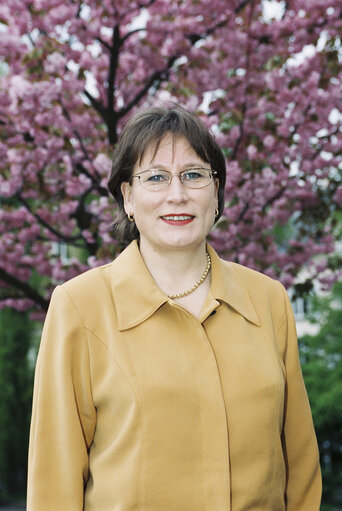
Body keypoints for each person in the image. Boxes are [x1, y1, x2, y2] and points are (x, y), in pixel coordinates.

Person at [27, 104, 322, 510]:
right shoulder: (79, 306)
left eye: (194, 175)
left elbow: (301, 466)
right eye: (156, 178)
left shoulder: (268, 299)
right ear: (128, 197)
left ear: (216, 192)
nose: (177, 194)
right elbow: (53, 479)